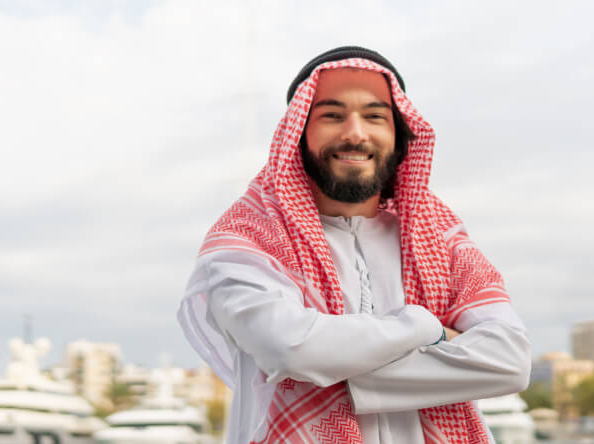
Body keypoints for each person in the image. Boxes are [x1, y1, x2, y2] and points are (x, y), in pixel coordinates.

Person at [178, 46, 531, 444]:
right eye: (332, 115)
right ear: (297, 133)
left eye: (375, 116)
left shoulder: (442, 240)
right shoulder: (246, 239)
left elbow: (510, 360)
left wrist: (331, 371)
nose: (355, 133)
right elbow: (289, 348)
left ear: (399, 136)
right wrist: (429, 329)